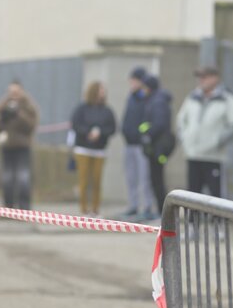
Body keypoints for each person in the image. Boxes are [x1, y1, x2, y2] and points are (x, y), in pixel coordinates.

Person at [176, 64, 233, 199]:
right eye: (199, 77)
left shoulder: (226, 99)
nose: (201, 80)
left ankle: (216, 216)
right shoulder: (192, 97)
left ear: (215, 78)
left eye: (204, 77)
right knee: (192, 197)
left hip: (213, 157)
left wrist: (217, 141)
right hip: (193, 155)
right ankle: (192, 215)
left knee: (216, 197)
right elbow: (181, 120)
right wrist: (185, 139)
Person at [70, 81, 118, 216]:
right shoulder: (82, 108)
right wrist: (87, 133)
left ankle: (95, 209)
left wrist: (100, 133)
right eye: (100, 90)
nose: (103, 92)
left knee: (97, 181)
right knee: (84, 180)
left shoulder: (107, 111)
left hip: (99, 150)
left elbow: (112, 128)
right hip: (83, 149)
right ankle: (84, 209)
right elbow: (75, 124)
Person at [118, 67, 157, 219]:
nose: (131, 83)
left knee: (144, 178)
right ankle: (133, 205)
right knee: (131, 177)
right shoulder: (131, 97)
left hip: (141, 145)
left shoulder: (146, 98)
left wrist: (142, 135)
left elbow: (147, 121)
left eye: (134, 80)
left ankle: (147, 206)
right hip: (129, 143)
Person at [0, 79, 38, 209]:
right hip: (7, 147)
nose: (14, 95)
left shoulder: (29, 106)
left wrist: (19, 114)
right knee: (7, 179)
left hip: (23, 147)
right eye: (11, 92)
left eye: (16, 92)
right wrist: (3, 117)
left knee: (23, 178)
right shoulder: (3, 106)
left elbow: (31, 126)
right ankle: (8, 207)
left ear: (21, 92)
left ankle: (24, 208)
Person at [140, 73, 175, 217]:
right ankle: (161, 211)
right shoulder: (154, 100)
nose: (142, 90)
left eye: (144, 87)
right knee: (155, 179)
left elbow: (159, 124)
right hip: (155, 147)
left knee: (157, 180)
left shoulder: (158, 102)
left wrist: (148, 133)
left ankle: (162, 212)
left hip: (158, 148)